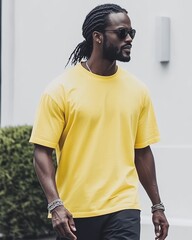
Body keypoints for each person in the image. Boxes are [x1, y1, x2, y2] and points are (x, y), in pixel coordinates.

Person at [30, 3, 169, 240]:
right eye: (121, 33)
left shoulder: (138, 90)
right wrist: (55, 204)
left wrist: (157, 205)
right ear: (97, 37)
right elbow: (42, 151)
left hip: (123, 206)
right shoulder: (61, 90)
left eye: (131, 33)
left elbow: (142, 151)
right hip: (75, 211)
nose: (129, 39)